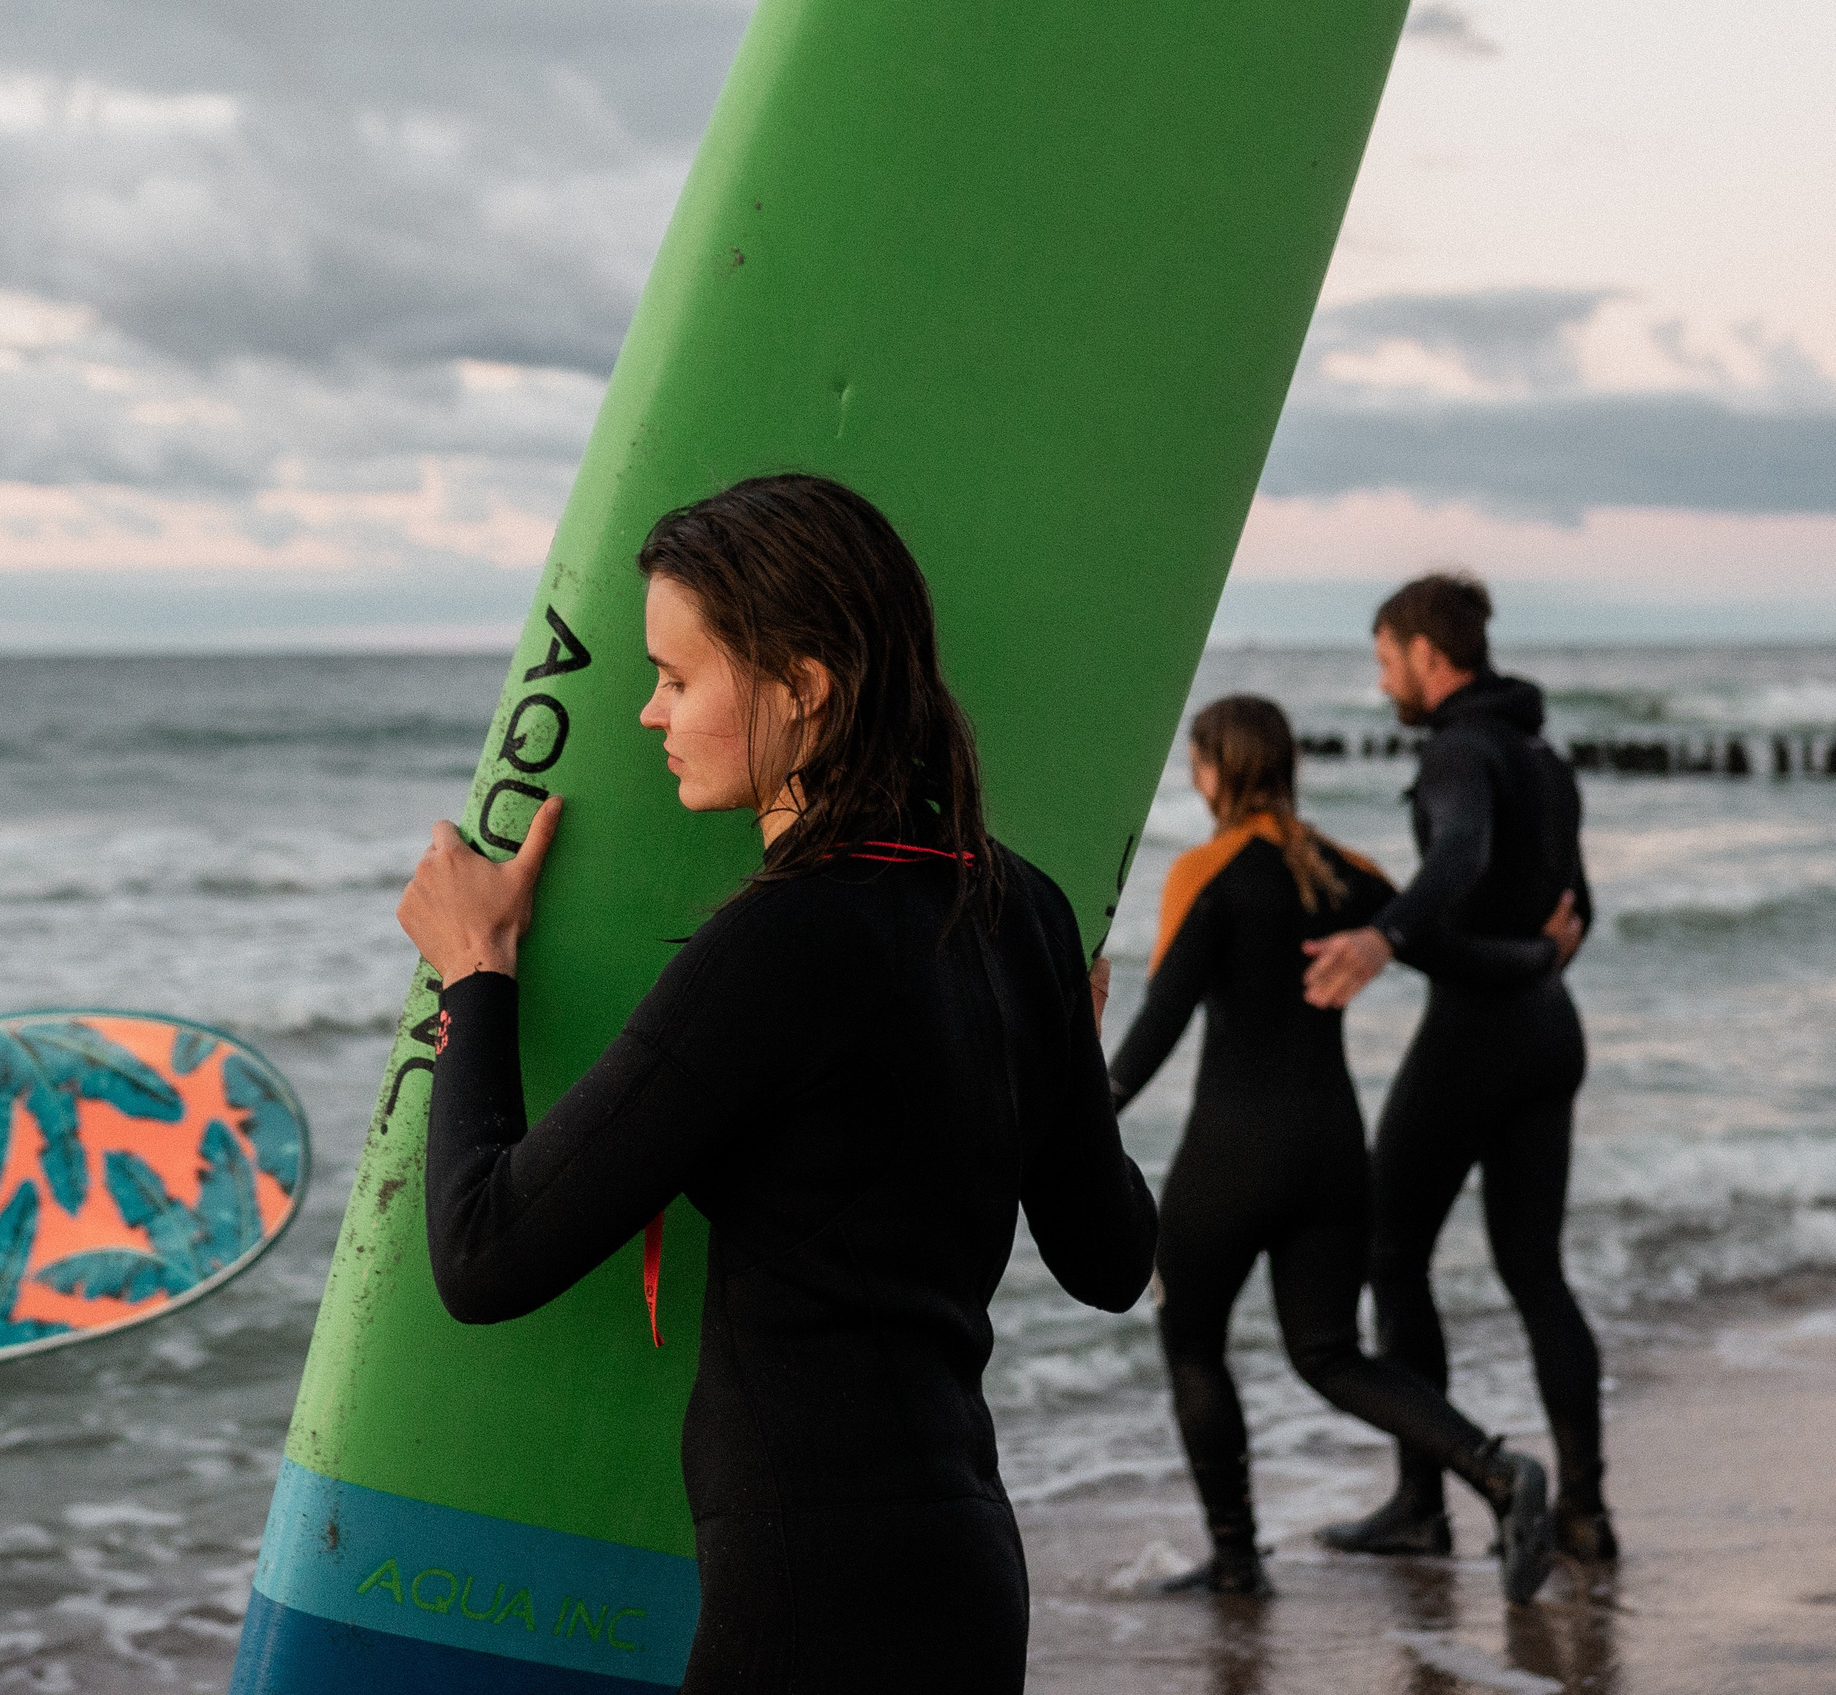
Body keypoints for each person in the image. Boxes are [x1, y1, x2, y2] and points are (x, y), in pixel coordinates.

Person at [397, 473, 1159, 1694]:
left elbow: (486, 1253)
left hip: (811, 1597)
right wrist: (1066, 1047)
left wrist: (473, 975)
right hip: (967, 1563)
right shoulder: (1018, 908)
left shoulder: (781, 943)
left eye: (678, 678)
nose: (650, 715)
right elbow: (1110, 1259)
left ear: (803, 688)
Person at [1108, 696, 1554, 1604]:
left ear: (1214, 770)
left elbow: (1159, 1022)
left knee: (1192, 1340)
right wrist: (1544, 953)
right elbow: (1464, 959)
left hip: (1232, 1156)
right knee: (1330, 1353)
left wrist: (1084, 1110)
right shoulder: (1349, 873)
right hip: (1332, 1156)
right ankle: (1498, 1470)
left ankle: (1237, 1559)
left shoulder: (1207, 870)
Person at [1299, 573, 1610, 1563]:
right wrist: (1536, 960)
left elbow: (1462, 851)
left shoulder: (1455, 750)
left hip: (1476, 1033)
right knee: (1536, 1273)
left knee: (1390, 1257)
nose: (1384, 677)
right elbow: (1577, 911)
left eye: (1387, 658)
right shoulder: (1540, 758)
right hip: (1547, 1025)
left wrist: (1386, 936)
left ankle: (1419, 1504)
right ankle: (1585, 1512)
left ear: (1428, 657)